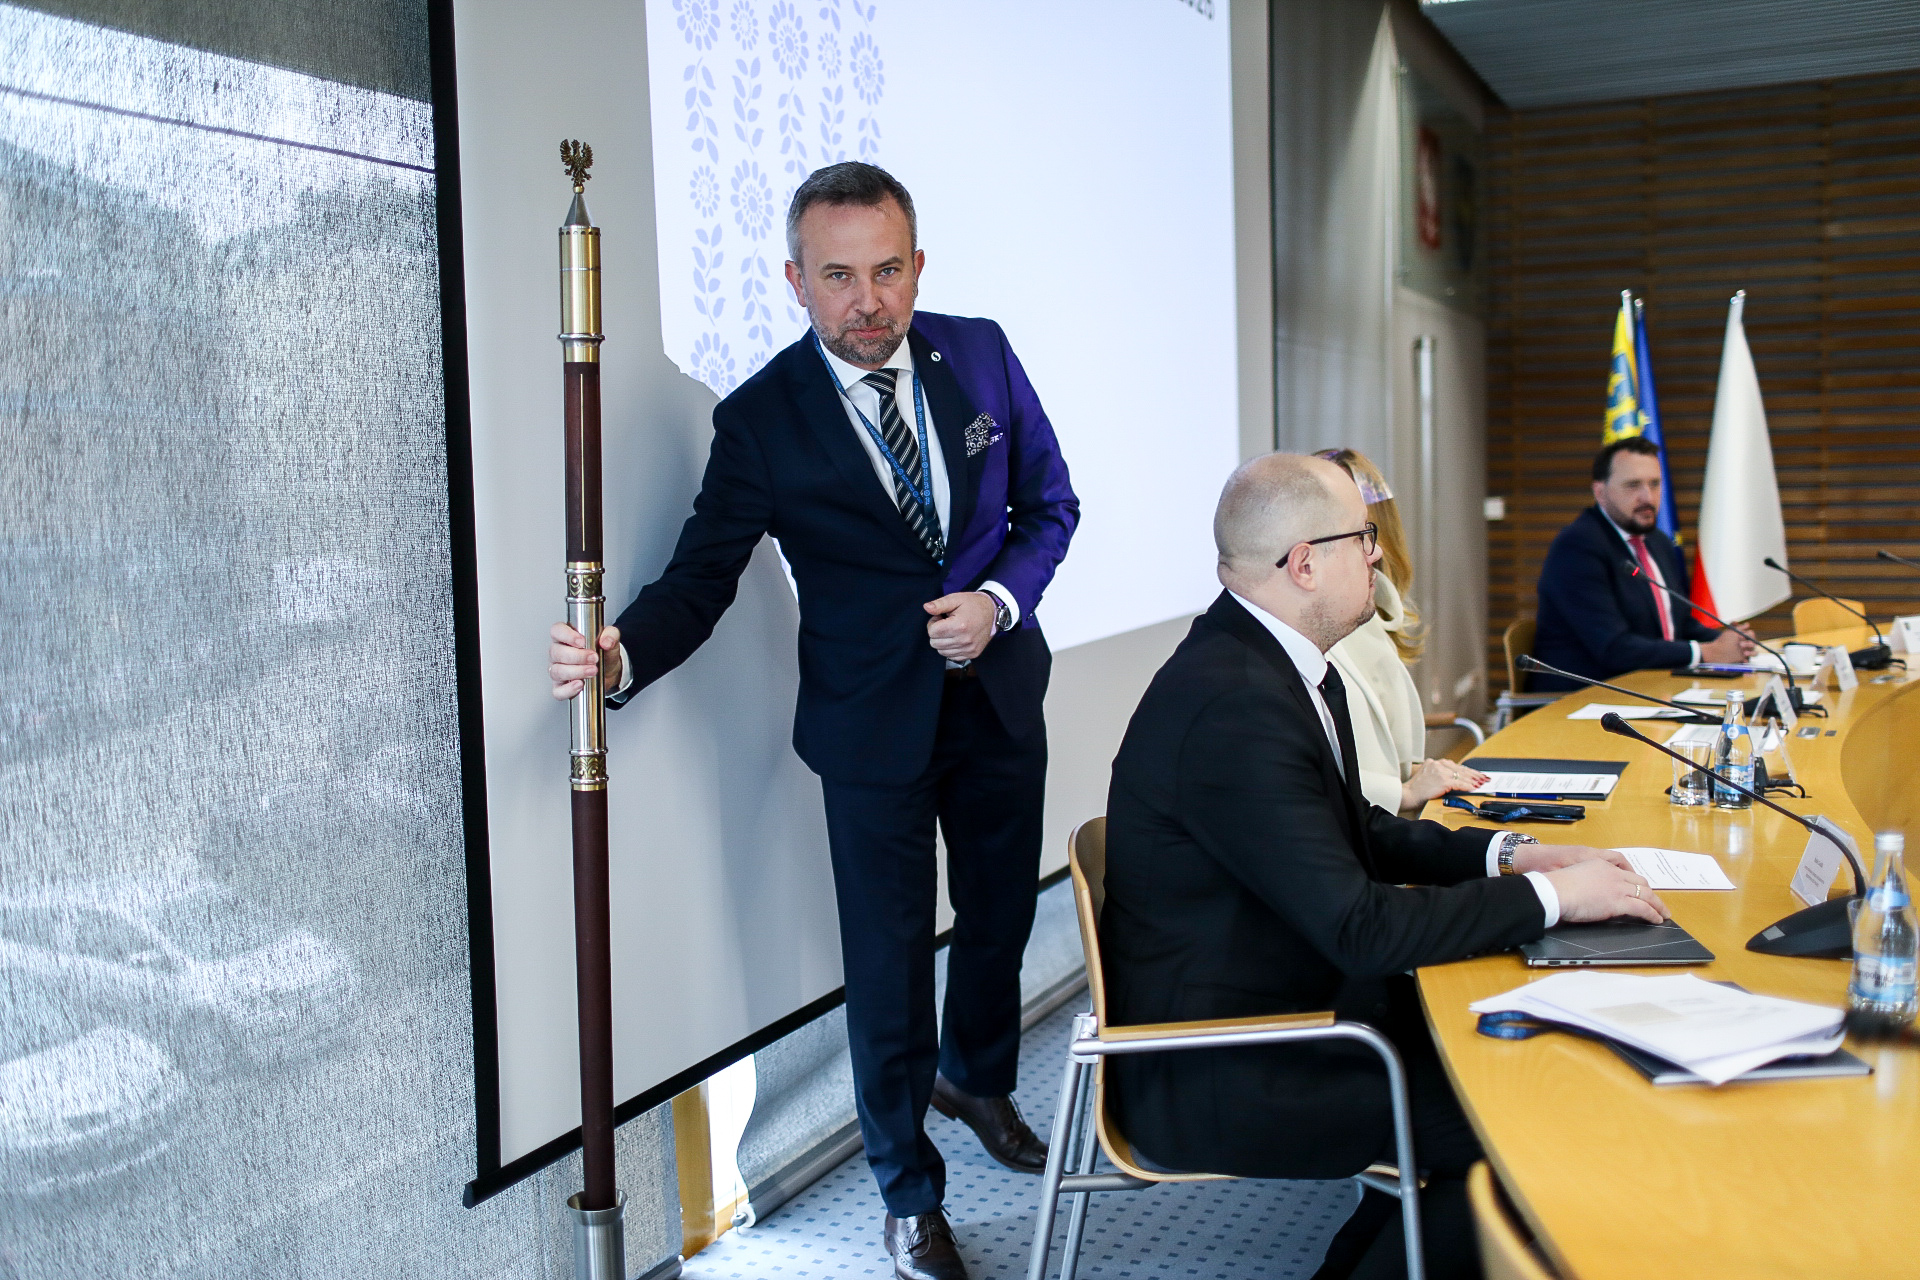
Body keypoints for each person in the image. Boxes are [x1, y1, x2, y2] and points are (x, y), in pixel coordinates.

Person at [548, 162, 1078, 1280]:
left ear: (918, 266)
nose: (867, 301)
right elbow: (702, 577)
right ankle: (908, 1193)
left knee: (997, 915)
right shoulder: (760, 420)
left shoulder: (980, 352)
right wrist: (621, 653)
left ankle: (978, 1078)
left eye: (887, 272)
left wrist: (998, 601)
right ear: (796, 280)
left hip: (997, 694)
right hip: (869, 726)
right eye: (839, 276)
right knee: (889, 964)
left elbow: (1050, 506)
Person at [1102, 453, 1667, 1280]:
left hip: (1303, 1008)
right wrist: (1553, 898)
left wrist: (1513, 855)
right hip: (1229, 1063)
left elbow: (1356, 831)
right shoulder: (1235, 703)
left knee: (1532, 1064)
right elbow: (1362, 929)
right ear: (1304, 564)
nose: (1377, 554)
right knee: (1526, 1124)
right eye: (1362, 538)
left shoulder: (1275, 664)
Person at [1316, 448, 1486, 813]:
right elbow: (1319, 765)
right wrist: (1405, 791)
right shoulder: (1320, 629)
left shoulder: (1377, 614)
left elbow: (1384, 755)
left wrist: (1426, 775)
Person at [1530, 436, 1753, 689]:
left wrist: (1730, 643)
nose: (1647, 497)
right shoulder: (1578, 547)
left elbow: (1677, 624)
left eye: (1655, 484)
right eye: (1633, 485)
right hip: (1585, 697)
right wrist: (1707, 653)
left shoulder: (1658, 542)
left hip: (1651, 686)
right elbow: (1613, 648)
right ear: (1600, 492)